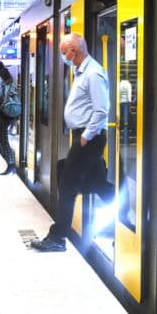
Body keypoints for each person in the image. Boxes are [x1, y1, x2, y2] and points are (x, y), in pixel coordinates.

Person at [31, 33, 114, 252]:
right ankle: (123, 221)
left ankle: (57, 238)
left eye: (63, 52)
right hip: (85, 136)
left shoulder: (93, 73)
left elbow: (101, 110)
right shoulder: (82, 71)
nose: (62, 56)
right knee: (97, 182)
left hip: (90, 137)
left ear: (73, 51)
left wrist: (85, 137)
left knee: (67, 182)